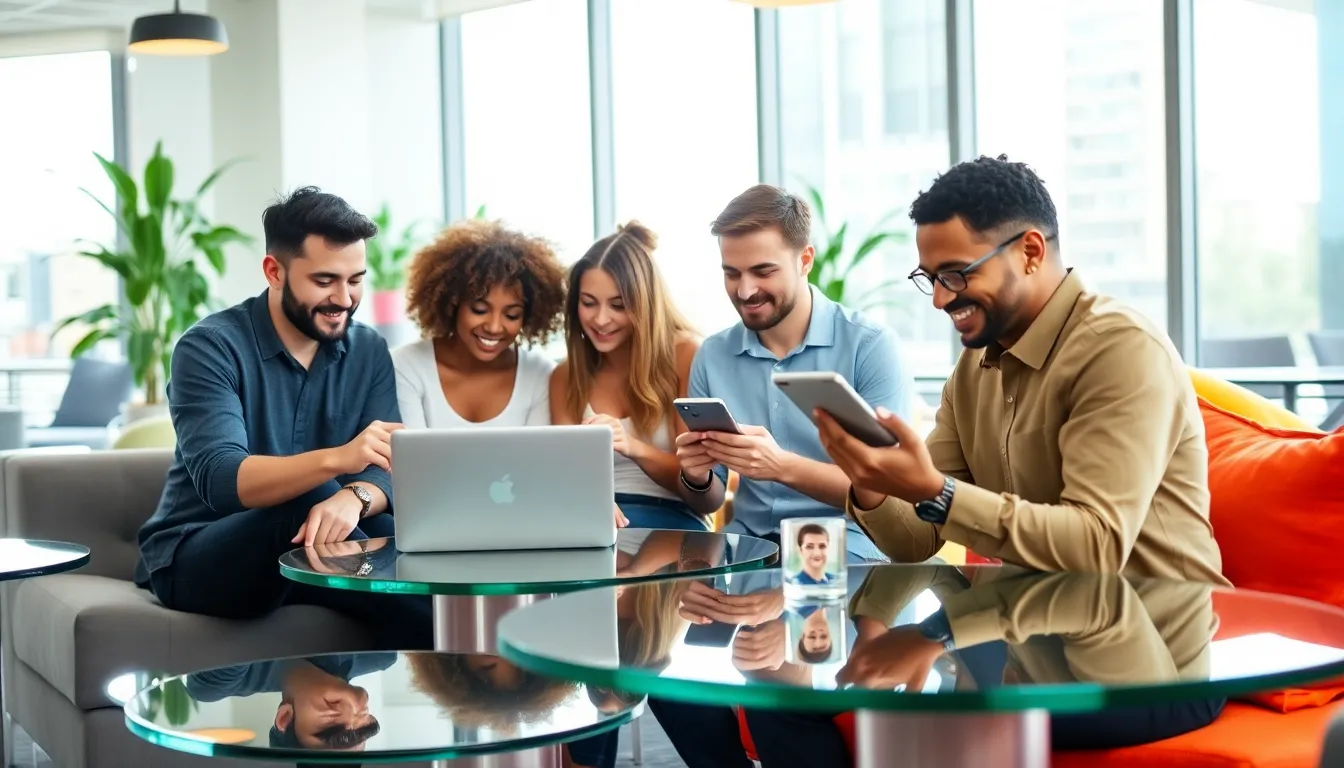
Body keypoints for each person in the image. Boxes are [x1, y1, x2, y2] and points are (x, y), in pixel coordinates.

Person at [814, 155, 1227, 586]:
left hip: (1151, 628)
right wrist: (872, 485)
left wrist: (937, 492)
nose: (938, 299)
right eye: (930, 277)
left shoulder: (1121, 348)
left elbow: (1098, 544)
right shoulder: (973, 369)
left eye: (955, 274)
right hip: (1034, 629)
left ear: (1031, 252)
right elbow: (917, 541)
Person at [132, 186, 431, 650]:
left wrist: (352, 497)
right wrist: (337, 462)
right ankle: (468, 647)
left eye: (356, 280)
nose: (345, 298)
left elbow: (386, 467)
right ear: (275, 271)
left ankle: (462, 664)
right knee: (302, 499)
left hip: (312, 546)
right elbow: (223, 480)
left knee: (402, 531)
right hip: (198, 555)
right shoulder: (209, 348)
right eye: (325, 280)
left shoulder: (368, 348)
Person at [672, 183, 914, 562]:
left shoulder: (869, 347)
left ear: (805, 260)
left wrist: (780, 466)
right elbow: (709, 499)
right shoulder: (712, 356)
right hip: (751, 548)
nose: (746, 290)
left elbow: (887, 489)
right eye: (731, 273)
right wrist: (696, 476)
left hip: (845, 548)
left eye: (763, 271)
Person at [550, 221, 706, 531]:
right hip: (595, 521)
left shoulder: (686, 355)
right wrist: (589, 498)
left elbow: (697, 476)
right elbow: (567, 471)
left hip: (673, 521)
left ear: (645, 304)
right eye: (588, 303)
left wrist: (632, 446)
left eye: (618, 305)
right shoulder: (565, 375)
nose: (601, 319)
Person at [392, 218, 567, 430]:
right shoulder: (406, 366)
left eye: (511, 315)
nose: (494, 327)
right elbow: (410, 457)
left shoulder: (540, 375)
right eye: (480, 310)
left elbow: (536, 460)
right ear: (452, 302)